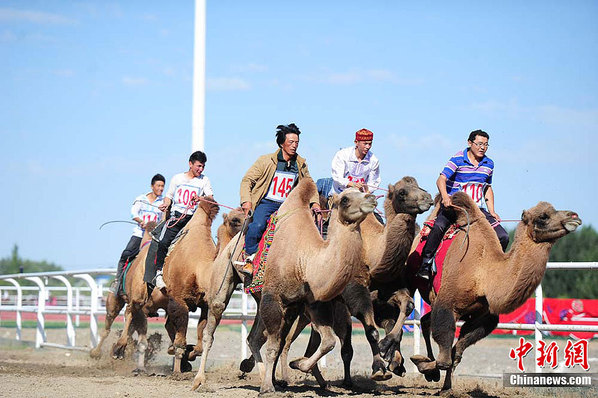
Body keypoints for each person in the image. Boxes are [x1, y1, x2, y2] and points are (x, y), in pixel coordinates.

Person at [416, 129, 509, 280]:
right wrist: (445, 197)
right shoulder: (457, 159)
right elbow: (441, 179)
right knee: (439, 226)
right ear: (470, 143)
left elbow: (487, 188)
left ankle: (492, 268)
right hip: (455, 206)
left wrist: (492, 211)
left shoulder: (489, 164)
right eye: (479, 144)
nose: (482, 148)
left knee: (503, 236)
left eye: (485, 145)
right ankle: (425, 264)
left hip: (477, 209)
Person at [239, 123, 320, 277]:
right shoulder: (265, 161)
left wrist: (314, 203)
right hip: (267, 203)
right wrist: (246, 201)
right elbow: (247, 180)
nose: (294, 146)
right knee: (257, 225)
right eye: (291, 142)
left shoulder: (300, 164)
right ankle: (250, 259)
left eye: (297, 142)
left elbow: (310, 184)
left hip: (289, 206)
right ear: (282, 143)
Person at [143, 151, 213, 289]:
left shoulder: (204, 180)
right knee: (162, 242)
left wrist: (201, 198)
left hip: (193, 221)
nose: (201, 169)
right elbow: (169, 196)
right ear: (190, 164)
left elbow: (210, 198)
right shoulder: (177, 178)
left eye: (203, 166)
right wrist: (166, 203)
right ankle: (158, 274)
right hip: (176, 217)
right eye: (199, 166)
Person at [110, 174, 165, 295]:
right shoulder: (141, 199)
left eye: (162, 186)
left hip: (154, 237)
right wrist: (141, 222)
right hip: (140, 234)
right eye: (158, 186)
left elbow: (163, 219)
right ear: (152, 186)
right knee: (126, 254)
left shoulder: (163, 202)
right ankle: (117, 282)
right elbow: (133, 213)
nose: (161, 189)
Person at [331, 128, 381, 195]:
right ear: (356, 142)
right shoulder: (342, 155)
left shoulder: (374, 161)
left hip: (359, 198)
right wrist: (352, 184)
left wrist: (366, 189)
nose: (368, 147)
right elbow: (337, 177)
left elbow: (374, 182)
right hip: (340, 195)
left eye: (370, 144)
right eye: (365, 144)